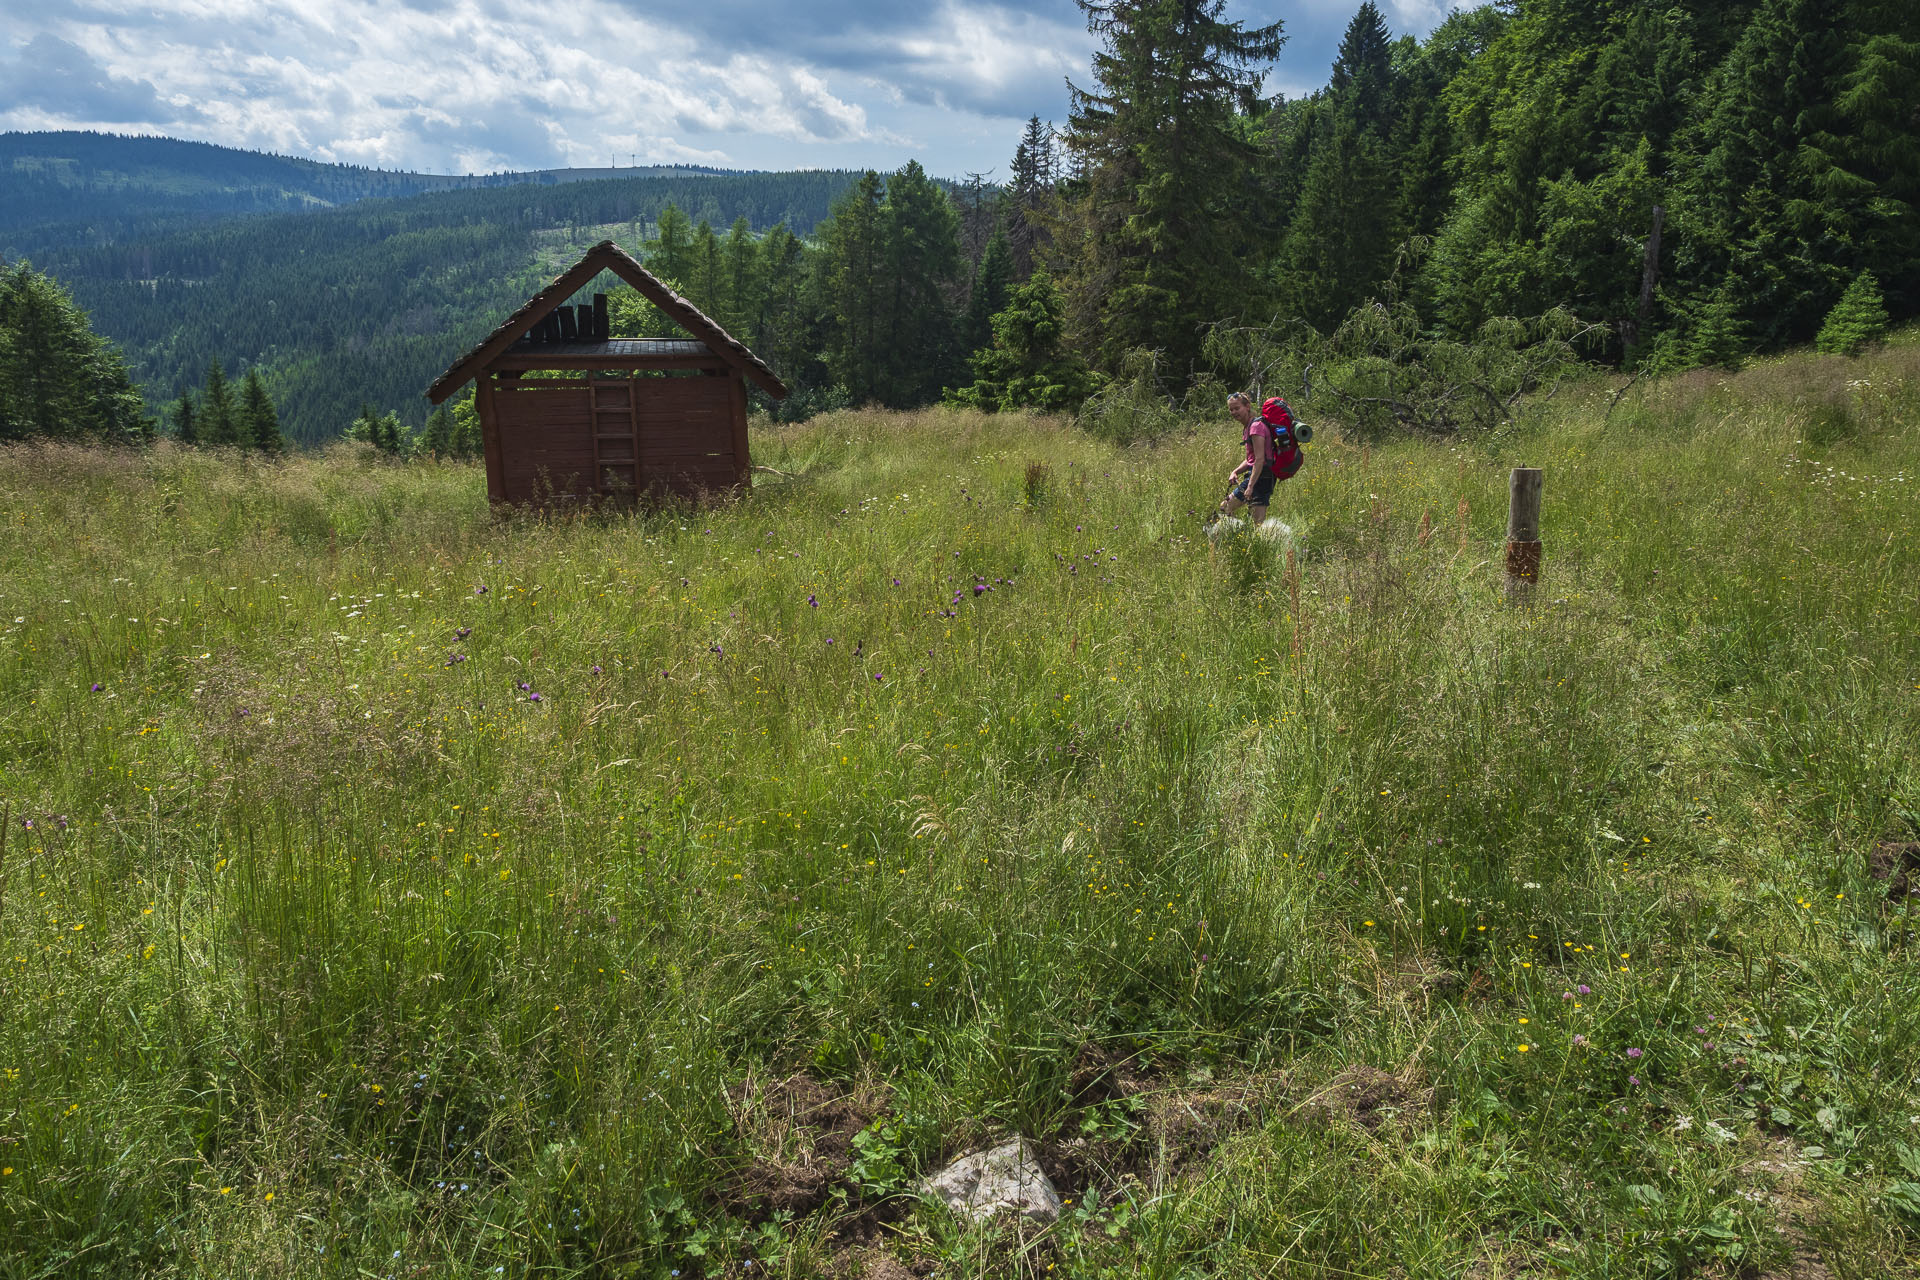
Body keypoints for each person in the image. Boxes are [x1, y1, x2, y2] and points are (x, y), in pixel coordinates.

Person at [1216, 390, 1299, 526]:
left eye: (1237, 408)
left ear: (1247, 406)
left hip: (1262, 478)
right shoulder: (1250, 426)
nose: (1234, 412)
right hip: (1260, 476)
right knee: (1253, 521)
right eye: (1231, 410)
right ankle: (1238, 537)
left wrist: (1250, 486)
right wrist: (1235, 471)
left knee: (1243, 516)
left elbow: (1260, 460)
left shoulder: (1255, 427)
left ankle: (1241, 537)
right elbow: (1252, 459)